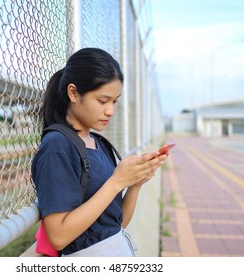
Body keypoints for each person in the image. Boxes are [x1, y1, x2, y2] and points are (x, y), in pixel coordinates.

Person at [31, 48, 168, 256]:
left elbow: (115, 223)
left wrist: (135, 185)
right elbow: (58, 237)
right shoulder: (57, 146)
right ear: (73, 93)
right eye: (102, 101)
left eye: (115, 101)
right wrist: (117, 182)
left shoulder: (99, 143)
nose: (110, 111)